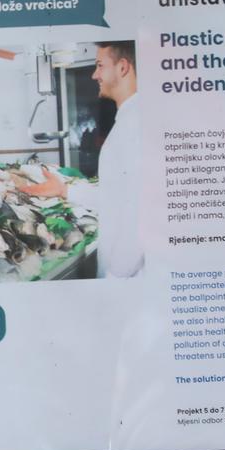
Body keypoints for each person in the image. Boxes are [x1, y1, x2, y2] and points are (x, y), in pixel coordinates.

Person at [18, 41, 143, 277]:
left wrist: (117, 277)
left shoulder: (135, 125)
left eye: (100, 65)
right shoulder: (127, 119)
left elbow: (139, 213)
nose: (95, 74)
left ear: (123, 67)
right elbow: (117, 197)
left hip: (125, 277)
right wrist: (65, 191)